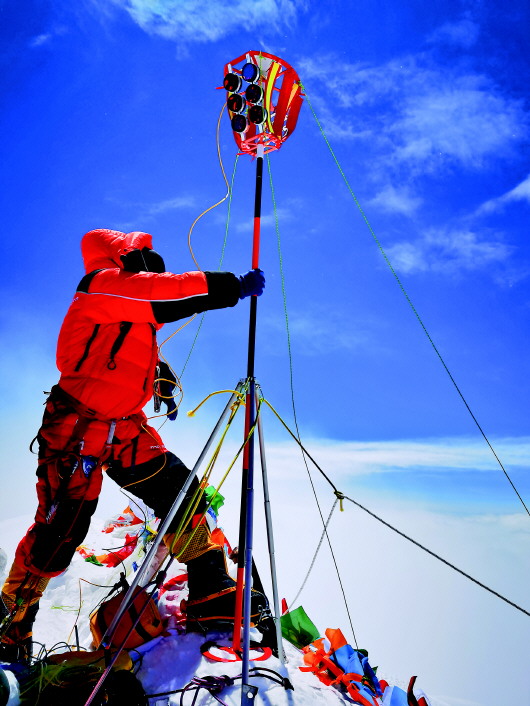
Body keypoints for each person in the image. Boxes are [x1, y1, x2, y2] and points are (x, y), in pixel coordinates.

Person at [0, 228, 265, 662]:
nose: (151, 267)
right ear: (122, 257)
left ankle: (210, 589)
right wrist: (231, 286)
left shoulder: (131, 306)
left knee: (180, 491)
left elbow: (127, 341)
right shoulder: (99, 285)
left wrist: (156, 373)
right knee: (60, 530)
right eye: (144, 258)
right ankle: (12, 623)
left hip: (124, 426)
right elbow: (163, 295)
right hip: (77, 427)